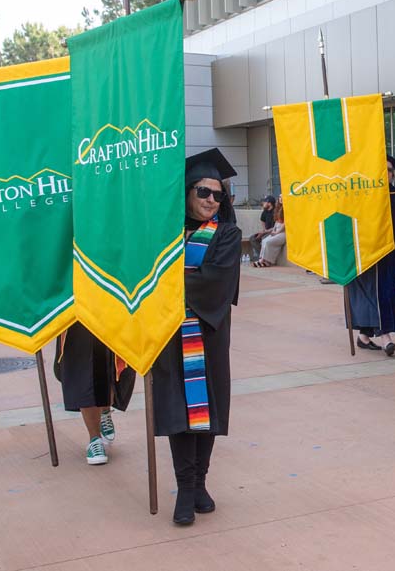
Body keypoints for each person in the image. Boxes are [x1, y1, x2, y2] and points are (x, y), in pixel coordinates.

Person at [151, 148, 242, 526]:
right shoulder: (163, 230)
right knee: (178, 408)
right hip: (169, 333)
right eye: (203, 192)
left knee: (209, 407)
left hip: (208, 331)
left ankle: (200, 481)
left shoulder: (227, 233)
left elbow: (215, 282)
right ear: (188, 191)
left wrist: (165, 278)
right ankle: (185, 487)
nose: (210, 200)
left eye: (218, 195)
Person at [348, 154, 395, 356]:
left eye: (389, 170)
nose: (386, 173)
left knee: (384, 295)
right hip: (366, 256)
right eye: (382, 169)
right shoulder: (362, 195)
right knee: (372, 296)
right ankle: (386, 338)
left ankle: (364, 337)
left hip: (389, 257)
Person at [54, 324, 136, 465]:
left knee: (111, 367)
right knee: (83, 370)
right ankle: (94, 439)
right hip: (77, 313)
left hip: (111, 308)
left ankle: (105, 410)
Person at [252, 202, 285, 267]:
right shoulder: (277, 209)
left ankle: (267, 261)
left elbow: (285, 223)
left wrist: (277, 232)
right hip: (276, 230)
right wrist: (273, 231)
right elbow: (276, 222)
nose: (281, 198)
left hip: (283, 232)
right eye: (279, 197)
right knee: (264, 241)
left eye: (282, 197)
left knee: (269, 242)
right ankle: (262, 259)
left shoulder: (286, 209)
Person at [248, 195, 277, 261]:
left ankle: (264, 257)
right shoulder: (265, 212)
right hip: (266, 232)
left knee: (264, 238)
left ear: (269, 203)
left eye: (265, 202)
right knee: (253, 238)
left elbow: (276, 227)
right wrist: (264, 230)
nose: (263, 203)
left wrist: (264, 232)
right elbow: (262, 220)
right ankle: (260, 255)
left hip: (274, 232)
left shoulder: (275, 212)